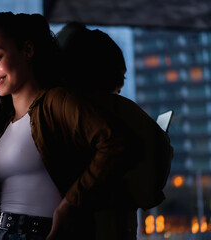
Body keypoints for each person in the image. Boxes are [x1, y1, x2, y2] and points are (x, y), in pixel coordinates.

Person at [0, 12, 136, 240]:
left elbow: (117, 143)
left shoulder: (57, 102)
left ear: (27, 50)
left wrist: (69, 206)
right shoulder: (3, 124)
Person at [56, 22, 174, 238]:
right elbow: (149, 185)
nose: (121, 82)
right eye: (120, 73)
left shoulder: (57, 110)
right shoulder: (122, 111)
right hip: (112, 226)